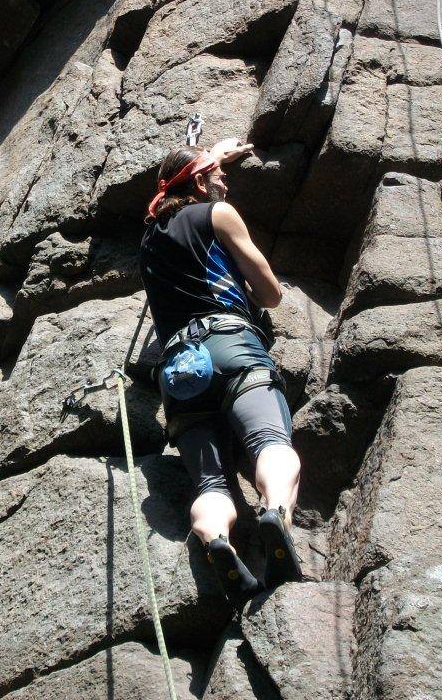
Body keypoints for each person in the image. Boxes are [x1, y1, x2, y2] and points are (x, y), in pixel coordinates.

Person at [139, 139, 302, 606]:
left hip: (178, 372)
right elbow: (270, 293)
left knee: (210, 484)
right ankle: (274, 514)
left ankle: (217, 542)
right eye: (218, 175)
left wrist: (215, 153)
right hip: (230, 345)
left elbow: (172, 184)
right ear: (198, 180)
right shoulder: (218, 214)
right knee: (271, 442)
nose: (225, 181)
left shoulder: (147, 238)